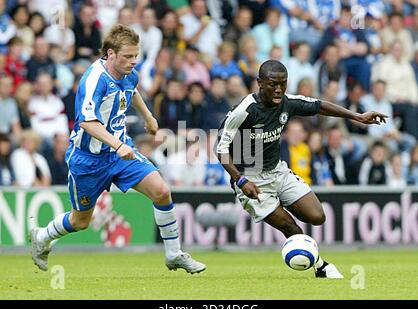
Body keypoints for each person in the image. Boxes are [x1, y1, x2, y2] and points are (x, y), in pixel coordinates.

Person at [29, 24, 206, 274]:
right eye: (128, 56)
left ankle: (174, 254)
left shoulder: (128, 71)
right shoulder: (95, 79)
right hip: (88, 158)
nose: (133, 61)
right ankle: (43, 236)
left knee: (162, 191)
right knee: (81, 221)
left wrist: (148, 116)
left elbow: (132, 91)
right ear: (110, 54)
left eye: (136, 56)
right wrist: (118, 143)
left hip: (120, 154)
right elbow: (86, 121)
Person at [215, 60, 387, 278]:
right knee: (292, 229)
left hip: (278, 171)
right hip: (250, 179)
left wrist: (357, 116)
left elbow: (319, 105)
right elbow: (220, 148)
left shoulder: (287, 102)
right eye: (272, 84)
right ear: (259, 83)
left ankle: (284, 210)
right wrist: (240, 180)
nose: (278, 89)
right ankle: (321, 267)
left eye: (283, 84)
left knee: (317, 216)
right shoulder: (244, 111)